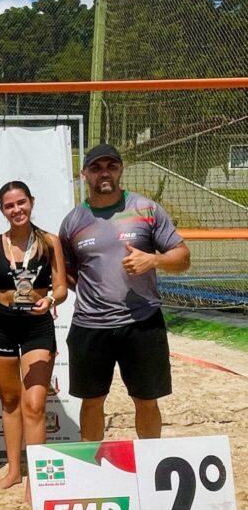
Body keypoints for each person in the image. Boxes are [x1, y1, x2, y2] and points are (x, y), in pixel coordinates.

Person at [59, 143, 190, 441]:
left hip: (142, 323)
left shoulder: (145, 209)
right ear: (84, 175)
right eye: (96, 168)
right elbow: (66, 271)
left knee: (145, 400)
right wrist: (92, 291)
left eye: (111, 166)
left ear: (120, 170)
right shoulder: (73, 221)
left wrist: (153, 259)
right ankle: (92, 467)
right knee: (92, 401)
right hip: (91, 325)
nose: (104, 173)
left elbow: (183, 257)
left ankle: (150, 463)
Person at [0, 180, 67, 490]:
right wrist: (5, 290)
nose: (17, 210)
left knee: (35, 403)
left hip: (36, 324)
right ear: (2, 210)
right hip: (1, 324)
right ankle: (14, 471)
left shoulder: (49, 241)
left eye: (21, 203)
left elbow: (62, 288)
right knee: (11, 400)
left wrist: (50, 300)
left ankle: (36, 480)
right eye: (9, 206)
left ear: (32, 201)